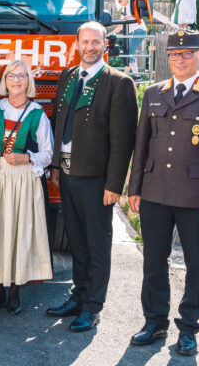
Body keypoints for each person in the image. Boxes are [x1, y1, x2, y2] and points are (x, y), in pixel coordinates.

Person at [127, 30, 199, 356]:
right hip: (154, 194)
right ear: (168, 58)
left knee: (196, 265)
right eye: (175, 54)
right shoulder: (154, 93)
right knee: (153, 262)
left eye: (187, 53)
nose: (181, 59)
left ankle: (189, 328)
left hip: (196, 198)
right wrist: (135, 189)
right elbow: (141, 144)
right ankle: (154, 321)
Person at [45, 21, 138, 332]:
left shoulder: (119, 82)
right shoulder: (68, 76)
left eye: (95, 42)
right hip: (68, 175)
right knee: (77, 241)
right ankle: (78, 295)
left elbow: (124, 141)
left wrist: (115, 184)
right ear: (77, 44)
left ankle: (93, 305)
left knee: (97, 244)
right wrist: (56, 166)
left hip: (98, 179)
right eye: (85, 41)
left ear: (105, 44)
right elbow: (60, 123)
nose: (90, 47)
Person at [0, 60, 54, 315]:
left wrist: (26, 158)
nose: (16, 80)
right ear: (5, 81)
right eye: (11, 76)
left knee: (18, 233)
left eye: (22, 76)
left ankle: (15, 291)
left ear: (29, 81)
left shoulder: (37, 113)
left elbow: (47, 153)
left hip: (22, 181)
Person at [110, 0, 146, 76]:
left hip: (138, 30)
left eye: (119, 1)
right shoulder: (125, 8)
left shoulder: (131, 6)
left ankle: (127, 75)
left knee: (129, 53)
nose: (119, 3)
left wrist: (111, 33)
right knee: (130, 53)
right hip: (136, 31)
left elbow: (137, 16)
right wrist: (112, 33)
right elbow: (121, 25)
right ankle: (136, 75)